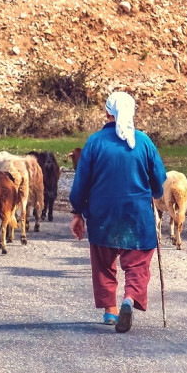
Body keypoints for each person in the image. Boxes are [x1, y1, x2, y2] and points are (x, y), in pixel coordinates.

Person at [69, 91, 167, 333]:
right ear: (132, 113)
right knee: (137, 263)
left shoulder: (94, 142)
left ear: (106, 113)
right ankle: (129, 298)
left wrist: (76, 212)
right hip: (137, 215)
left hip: (103, 215)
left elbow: (81, 182)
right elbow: (159, 182)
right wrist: (153, 192)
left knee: (103, 262)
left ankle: (110, 310)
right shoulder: (144, 142)